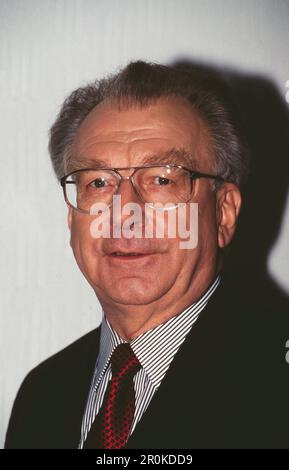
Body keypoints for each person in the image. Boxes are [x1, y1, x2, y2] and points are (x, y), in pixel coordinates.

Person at [5, 61, 289, 449]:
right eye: (98, 182)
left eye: (162, 180)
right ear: (73, 218)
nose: (124, 214)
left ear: (223, 213)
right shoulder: (42, 394)